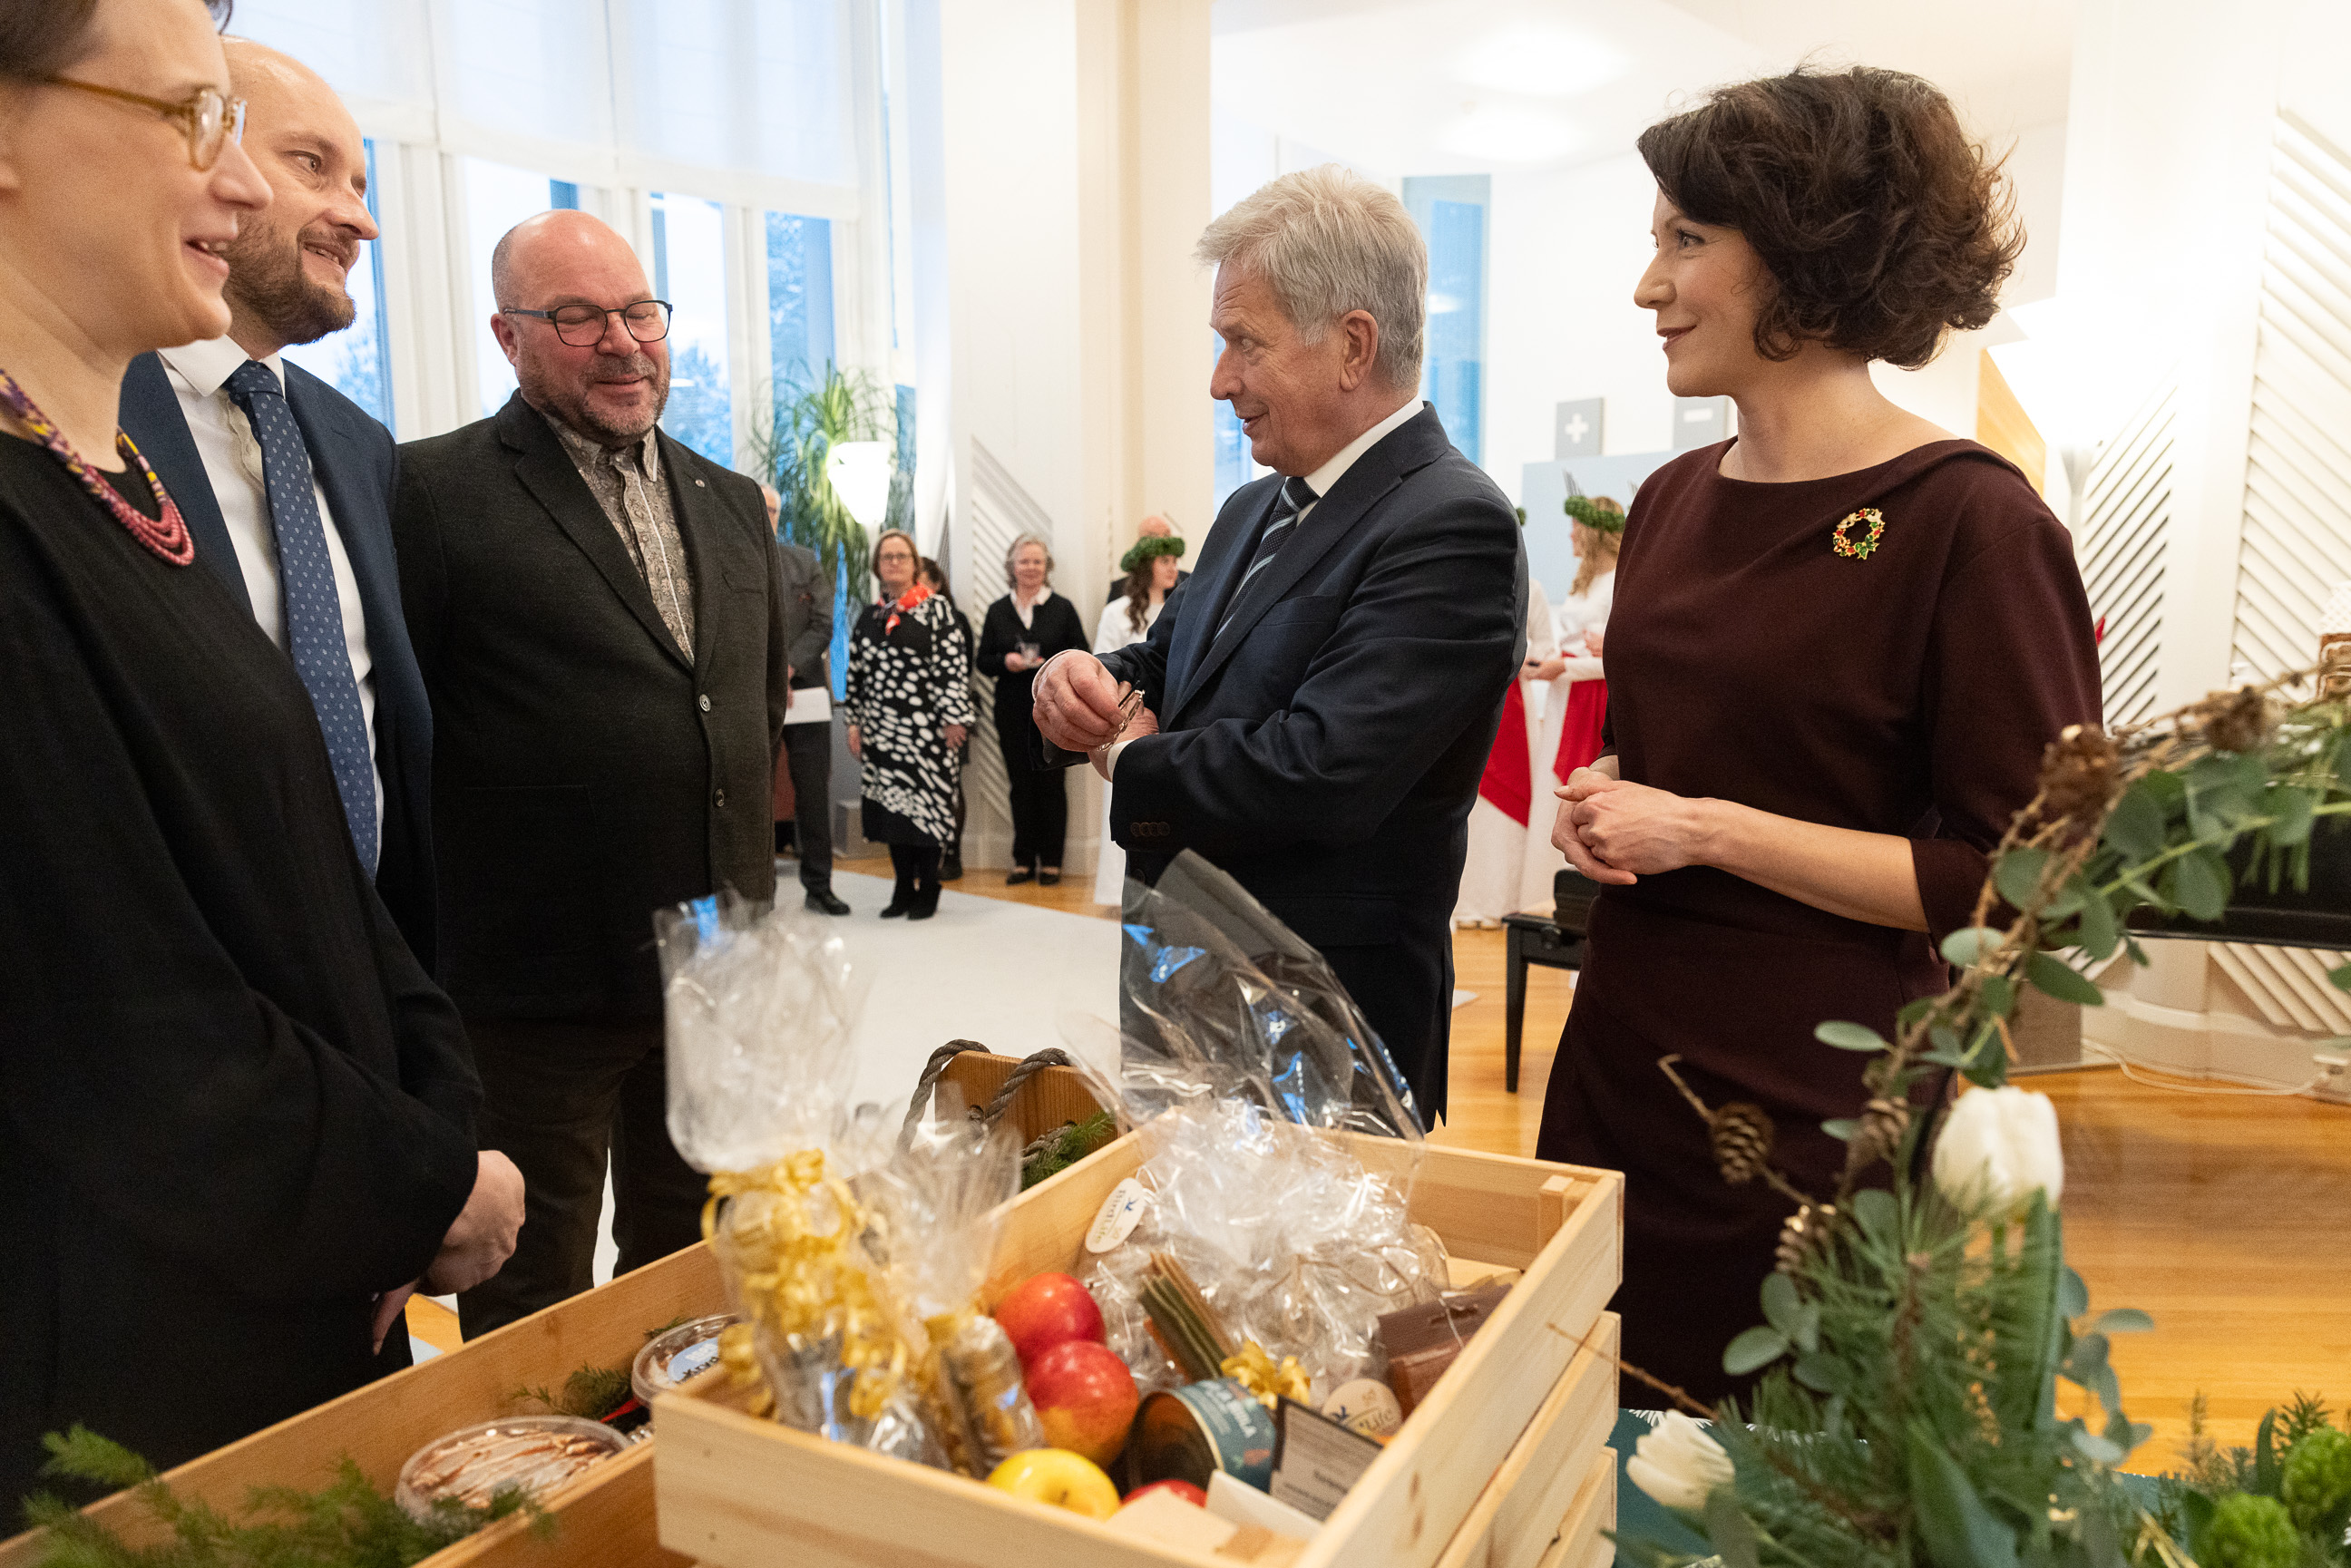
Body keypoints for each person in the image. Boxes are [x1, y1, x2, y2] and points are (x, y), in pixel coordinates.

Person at [0, 0, 521, 1509]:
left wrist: (422, 1125)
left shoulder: (103, 481)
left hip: (293, 1279)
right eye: (191, 119)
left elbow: (316, 871)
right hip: (124, 1397)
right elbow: (130, 1034)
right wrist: (419, 1187)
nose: (238, 190)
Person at [1535, 66, 2101, 1402]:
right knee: (1584, 1425)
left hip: (1811, 1105)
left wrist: (1704, 830)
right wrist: (1607, 794)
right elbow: (1673, 749)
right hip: (1620, 1060)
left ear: (1803, 254)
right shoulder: (1669, 503)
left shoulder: (1973, 524)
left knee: (1766, 1463)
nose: (1646, 284)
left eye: (1686, 240)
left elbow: (2024, 884)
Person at [1032, 165, 1525, 1124]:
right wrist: (1076, 679)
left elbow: (1324, 770)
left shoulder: (1452, 523)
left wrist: (1128, 754)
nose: (1221, 382)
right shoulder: (1252, 506)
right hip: (1180, 993)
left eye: (1243, 343)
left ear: (1351, 345)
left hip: (1324, 1033)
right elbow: (1165, 667)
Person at [391, 209, 790, 1338]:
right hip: (536, 988)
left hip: (717, 973)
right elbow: (400, 741)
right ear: (508, 336)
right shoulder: (428, 495)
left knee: (693, 1273)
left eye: (639, 311)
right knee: (533, 1298)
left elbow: (745, 706)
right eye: (577, 317)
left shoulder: (729, 502)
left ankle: (672, 1476)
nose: (622, 341)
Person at [116, 38, 439, 969]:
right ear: (201, 154)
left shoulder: (358, 445)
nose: (360, 221)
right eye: (314, 165)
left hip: (373, 964)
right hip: (182, 989)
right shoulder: (78, 411)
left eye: (364, 184)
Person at [847, 530, 971, 919]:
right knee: (892, 814)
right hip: (883, 732)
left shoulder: (937, 611)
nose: (895, 562)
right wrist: (854, 723)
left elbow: (954, 668)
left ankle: (929, 887)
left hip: (930, 732)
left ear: (915, 564)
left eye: (902, 556)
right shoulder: (870, 617)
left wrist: (955, 717)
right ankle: (902, 887)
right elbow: (856, 675)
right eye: (887, 557)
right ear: (878, 566)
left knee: (928, 811)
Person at [976, 532, 1088, 885]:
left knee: (1053, 782)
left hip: (1056, 708)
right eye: (1024, 561)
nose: (1031, 567)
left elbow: (1082, 654)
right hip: (1011, 708)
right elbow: (982, 661)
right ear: (1012, 566)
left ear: (1047, 566)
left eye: (1037, 561)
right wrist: (1005, 661)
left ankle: (1052, 860)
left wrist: (1053, 663)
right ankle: (1022, 859)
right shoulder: (997, 610)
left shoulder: (1063, 607)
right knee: (1019, 784)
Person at [759, 482, 850, 915]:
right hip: (754, 695)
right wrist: (768, 674)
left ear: (779, 516)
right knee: (754, 795)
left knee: (813, 793)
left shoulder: (805, 560)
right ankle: (757, 894)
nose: (766, 517)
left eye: (772, 510)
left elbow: (822, 623)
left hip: (808, 694)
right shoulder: (726, 563)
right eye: (758, 508)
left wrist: (788, 666)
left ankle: (820, 885)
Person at [1452, 574, 1559, 928]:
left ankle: (1501, 902)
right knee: (1468, 806)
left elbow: (1545, 645)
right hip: (1463, 703)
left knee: (1506, 815)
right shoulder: (1459, 580)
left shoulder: (1533, 586)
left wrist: (1518, 656)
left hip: (1514, 706)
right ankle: (1464, 902)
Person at [1090, 535, 1185, 907]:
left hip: (1170, 723)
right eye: (1165, 561)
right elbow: (1103, 660)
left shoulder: (1183, 604)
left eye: (1175, 561)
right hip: (1123, 722)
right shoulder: (1117, 611)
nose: (1174, 568)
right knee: (1121, 802)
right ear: (1147, 567)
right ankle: (1117, 892)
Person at [922, 554, 974, 881]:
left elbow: (961, 671)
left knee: (951, 786)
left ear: (937, 584)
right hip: (913, 721)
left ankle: (952, 854)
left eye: (921, 580)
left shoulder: (956, 619)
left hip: (949, 715)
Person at [1105, 511, 1187, 605]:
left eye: (1166, 535)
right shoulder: (1120, 590)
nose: (1161, 542)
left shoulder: (1187, 583)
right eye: (1153, 536)